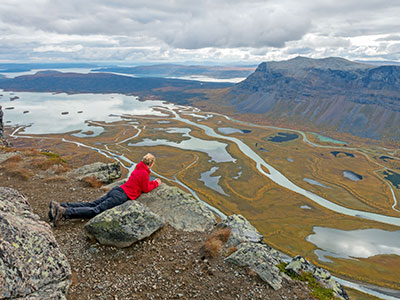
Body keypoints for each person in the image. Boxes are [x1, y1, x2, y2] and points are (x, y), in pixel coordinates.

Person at [50, 153, 162, 226]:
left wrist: (151, 182)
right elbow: (146, 188)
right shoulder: (144, 173)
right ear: (151, 164)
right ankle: (64, 212)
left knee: (92, 204)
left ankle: (61, 205)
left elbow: (141, 183)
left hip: (117, 190)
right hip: (121, 196)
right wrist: (156, 183)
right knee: (96, 210)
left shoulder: (138, 168)